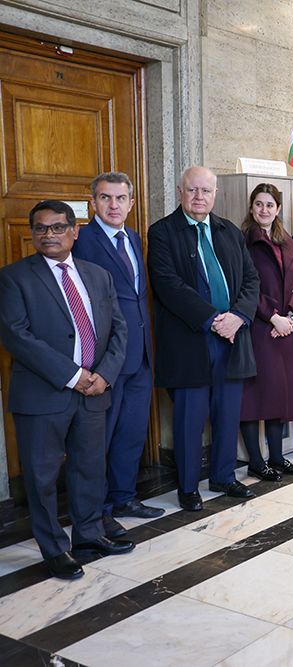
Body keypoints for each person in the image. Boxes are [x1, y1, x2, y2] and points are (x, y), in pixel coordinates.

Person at [0, 200, 131, 580]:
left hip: (95, 391)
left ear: (74, 231)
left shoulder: (98, 275)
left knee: (89, 469)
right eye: (41, 228)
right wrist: (74, 376)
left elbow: (118, 328)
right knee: (41, 478)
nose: (49, 234)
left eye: (58, 227)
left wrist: (104, 374)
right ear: (32, 234)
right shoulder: (13, 278)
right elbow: (16, 336)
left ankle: (88, 535)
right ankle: (55, 549)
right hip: (43, 395)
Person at [147, 166, 260, 511]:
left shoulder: (229, 231)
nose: (199, 197)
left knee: (227, 413)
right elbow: (168, 285)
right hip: (190, 339)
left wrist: (238, 317)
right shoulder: (163, 232)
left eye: (206, 191)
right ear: (180, 192)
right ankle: (188, 486)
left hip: (232, 337)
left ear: (215, 195)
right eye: (192, 190)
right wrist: (212, 320)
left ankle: (223, 476)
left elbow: (251, 280)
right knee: (190, 418)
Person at [73, 172, 163, 539]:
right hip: (106, 357)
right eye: (106, 198)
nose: (114, 205)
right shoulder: (82, 240)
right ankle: (99, 511)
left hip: (141, 354)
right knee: (101, 439)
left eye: (121, 198)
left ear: (131, 202)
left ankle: (124, 497)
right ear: (93, 202)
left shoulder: (134, 238)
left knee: (131, 431)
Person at [238, 184, 293, 482]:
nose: (264, 210)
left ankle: (277, 457)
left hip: (286, 329)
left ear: (278, 209)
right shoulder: (243, 241)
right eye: (259, 204)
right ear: (251, 207)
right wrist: (273, 317)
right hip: (259, 327)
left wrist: (290, 315)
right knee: (254, 397)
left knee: (280, 394)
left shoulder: (286, 240)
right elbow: (244, 286)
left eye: (270, 205)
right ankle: (256, 461)